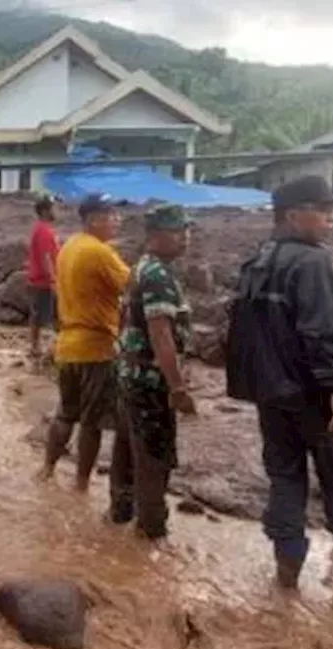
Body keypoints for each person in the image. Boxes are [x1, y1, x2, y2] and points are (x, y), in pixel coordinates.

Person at [225, 175, 333, 589]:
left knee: (285, 481)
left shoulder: (257, 260)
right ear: (293, 215)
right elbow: (323, 333)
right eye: (323, 212)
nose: (331, 221)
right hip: (313, 395)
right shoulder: (313, 262)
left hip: (272, 395)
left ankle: (285, 583)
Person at [34, 193, 131, 498]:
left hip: (67, 346)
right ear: (93, 220)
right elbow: (134, 286)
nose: (118, 220)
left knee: (65, 414)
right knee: (92, 423)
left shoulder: (70, 247)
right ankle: (81, 486)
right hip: (96, 348)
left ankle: (47, 470)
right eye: (112, 215)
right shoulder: (100, 252)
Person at [113, 204, 198, 539]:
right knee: (153, 456)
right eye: (178, 232)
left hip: (129, 374)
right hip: (149, 381)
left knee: (127, 447)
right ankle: (150, 531)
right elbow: (160, 333)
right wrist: (177, 387)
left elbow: (124, 320)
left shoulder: (140, 268)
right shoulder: (158, 276)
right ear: (154, 237)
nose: (185, 238)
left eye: (186, 231)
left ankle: (119, 513)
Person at [26, 195, 60, 360]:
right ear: (45, 211)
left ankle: (36, 347)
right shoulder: (44, 231)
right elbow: (46, 257)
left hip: (40, 279)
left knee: (38, 315)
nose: (57, 211)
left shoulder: (41, 229)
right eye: (54, 208)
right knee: (50, 316)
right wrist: (53, 280)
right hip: (43, 281)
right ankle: (38, 347)